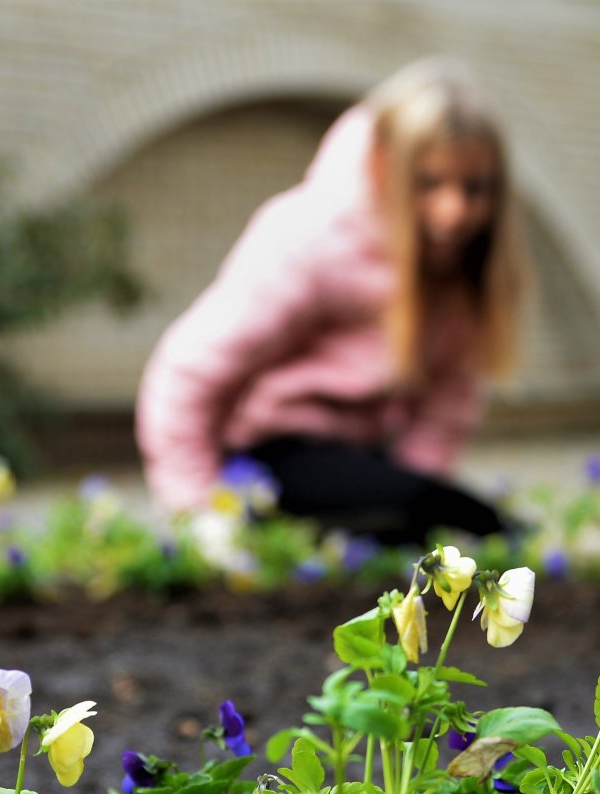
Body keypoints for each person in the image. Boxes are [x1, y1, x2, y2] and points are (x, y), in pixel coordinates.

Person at [136, 60, 529, 548]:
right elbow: (187, 372)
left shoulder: (462, 267)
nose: (454, 212)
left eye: (474, 189)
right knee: (466, 518)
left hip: (363, 461)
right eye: (429, 183)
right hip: (262, 458)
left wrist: (412, 514)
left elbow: (446, 406)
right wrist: (197, 508)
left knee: (464, 516)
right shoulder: (309, 238)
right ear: (383, 164)